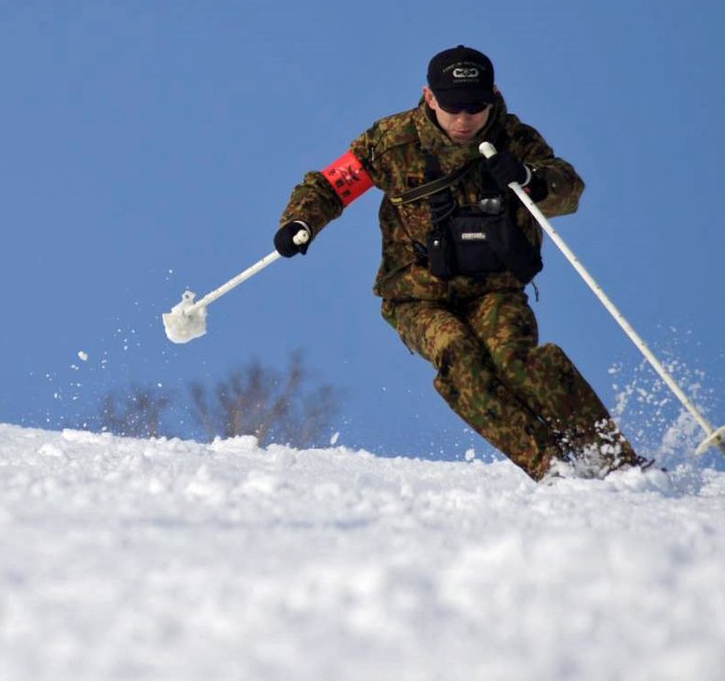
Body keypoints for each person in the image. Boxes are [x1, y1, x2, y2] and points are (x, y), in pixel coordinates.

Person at [273, 45, 646, 481]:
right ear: (429, 97)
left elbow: (570, 190)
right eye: (453, 107)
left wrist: (528, 177)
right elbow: (331, 185)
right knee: (459, 357)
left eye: (476, 107)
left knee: (516, 360)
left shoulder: (515, 140)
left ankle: (612, 461)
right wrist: (300, 221)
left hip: (494, 288)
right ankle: (553, 467)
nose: (464, 119)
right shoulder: (390, 142)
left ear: (494, 96)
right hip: (416, 295)